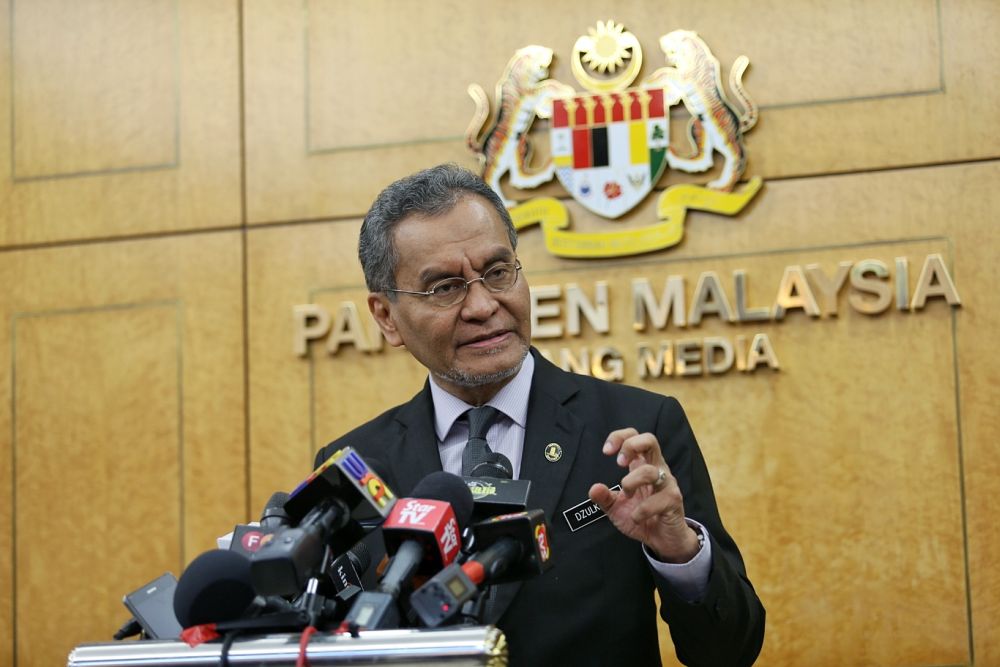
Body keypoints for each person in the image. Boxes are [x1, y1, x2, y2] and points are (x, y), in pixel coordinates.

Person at [314, 164, 765, 666]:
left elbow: (730, 651)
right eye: (445, 287)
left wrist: (679, 551)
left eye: (498, 272)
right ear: (386, 316)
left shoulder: (637, 429)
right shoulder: (353, 466)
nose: (484, 305)